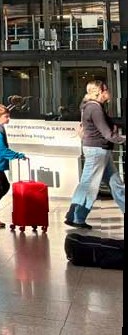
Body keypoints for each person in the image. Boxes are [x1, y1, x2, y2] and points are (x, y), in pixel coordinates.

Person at [65, 81, 125, 229]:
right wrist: (122, 139)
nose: (109, 92)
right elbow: (107, 134)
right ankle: (75, 217)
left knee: (116, 184)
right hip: (97, 151)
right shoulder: (95, 108)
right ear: (100, 91)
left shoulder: (90, 106)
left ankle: (76, 217)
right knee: (88, 185)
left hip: (99, 150)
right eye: (107, 89)